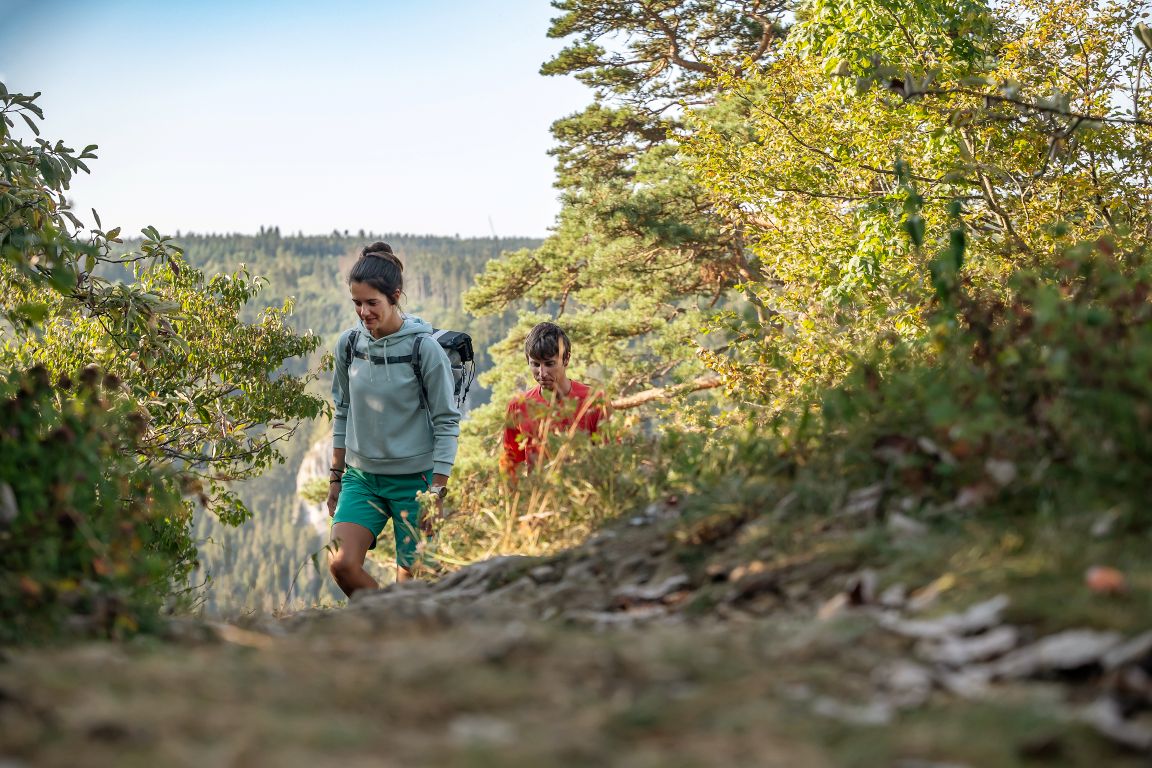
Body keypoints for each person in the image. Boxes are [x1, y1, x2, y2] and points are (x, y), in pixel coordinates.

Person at [326, 242, 460, 595]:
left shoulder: (424, 349)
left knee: (413, 588)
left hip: (416, 483)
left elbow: (447, 422)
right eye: (357, 303)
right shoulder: (349, 345)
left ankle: (396, 619)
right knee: (341, 564)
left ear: (395, 296)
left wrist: (437, 491)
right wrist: (336, 477)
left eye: (372, 303)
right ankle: (383, 615)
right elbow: (342, 410)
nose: (363, 312)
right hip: (362, 478)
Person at [501, 321, 607, 474]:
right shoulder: (517, 406)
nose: (542, 373)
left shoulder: (594, 400)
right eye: (535, 364)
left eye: (549, 364)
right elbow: (510, 466)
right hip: (538, 488)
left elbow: (611, 460)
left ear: (566, 359)